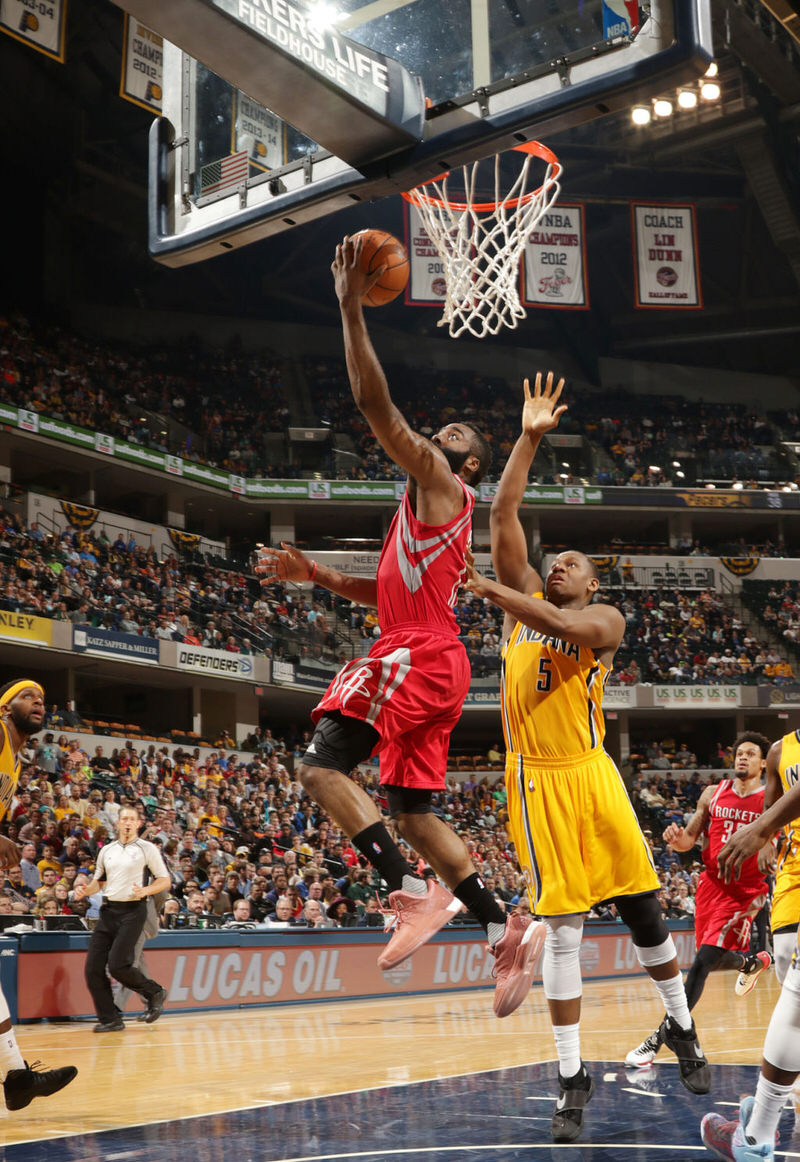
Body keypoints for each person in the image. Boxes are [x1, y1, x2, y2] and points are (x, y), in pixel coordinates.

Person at [255, 234, 546, 1017]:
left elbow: (374, 407)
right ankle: (502, 925)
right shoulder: (421, 518)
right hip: (432, 655)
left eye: (455, 436)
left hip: (413, 656)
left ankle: (408, 893)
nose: (441, 435)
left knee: (316, 769)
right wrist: (316, 576)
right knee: (413, 812)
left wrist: (352, 304)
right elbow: (384, 598)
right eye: (441, 432)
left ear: (468, 466)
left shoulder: (441, 482)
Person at [464, 373, 709, 1144]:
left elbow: (543, 612)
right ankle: (572, 1075)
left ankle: (682, 1029)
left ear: (593, 582)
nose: (560, 564)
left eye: (573, 560)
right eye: (555, 558)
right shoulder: (524, 600)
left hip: (592, 773)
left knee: (643, 911)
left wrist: (495, 593)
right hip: (536, 780)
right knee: (563, 929)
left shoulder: (603, 617)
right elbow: (502, 511)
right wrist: (529, 438)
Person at [627, 732, 774, 1070]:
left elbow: (778, 837)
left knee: (702, 963)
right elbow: (689, 840)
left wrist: (770, 843)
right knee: (710, 958)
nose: (743, 758)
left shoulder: (771, 800)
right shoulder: (713, 793)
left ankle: (658, 1038)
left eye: (751, 754)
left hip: (745, 890)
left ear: (764, 763)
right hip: (710, 886)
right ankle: (750, 963)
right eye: (739, 753)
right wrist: (678, 839)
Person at [699, 778, 800, 1162]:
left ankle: (755, 1138)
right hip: (788, 888)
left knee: (796, 997)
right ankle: (759, 1121)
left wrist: (761, 826)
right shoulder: (781, 751)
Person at [0, 680, 77, 1111]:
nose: (38, 704)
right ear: (6, 705)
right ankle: (15, 1076)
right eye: (28, 697)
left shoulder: (14, 756)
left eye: (43, 700)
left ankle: (16, 1076)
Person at [73, 806, 170, 1032]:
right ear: (117, 823)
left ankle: (154, 991)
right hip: (108, 911)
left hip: (133, 911)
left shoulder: (147, 849)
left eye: (131, 819)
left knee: (119, 966)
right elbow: (100, 881)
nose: (127, 822)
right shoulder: (107, 850)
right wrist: (85, 891)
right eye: (123, 818)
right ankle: (110, 1019)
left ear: (138, 824)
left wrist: (146, 890)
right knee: (92, 969)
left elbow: (164, 880)